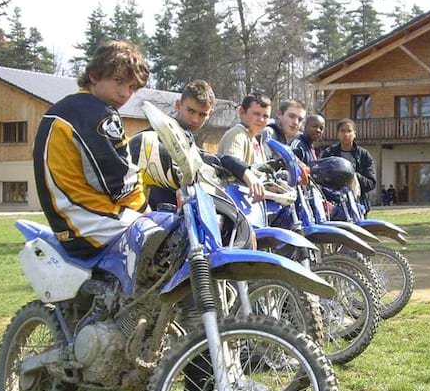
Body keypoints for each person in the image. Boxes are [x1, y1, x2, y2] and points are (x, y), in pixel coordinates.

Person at [33, 40, 172, 267]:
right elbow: (119, 178)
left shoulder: (63, 110)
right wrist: (147, 212)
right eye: (118, 81)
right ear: (95, 76)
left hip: (67, 223)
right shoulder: (98, 114)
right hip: (88, 222)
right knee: (171, 235)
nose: (125, 93)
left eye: (132, 87)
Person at [132, 80, 264, 207]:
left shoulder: (184, 136)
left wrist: (245, 172)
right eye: (191, 111)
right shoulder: (162, 135)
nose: (195, 119)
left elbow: (209, 159)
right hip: (151, 216)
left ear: (210, 114)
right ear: (178, 105)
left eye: (202, 114)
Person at [321, 118, 377, 214]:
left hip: (359, 206)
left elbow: (371, 183)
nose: (346, 134)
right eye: (342, 131)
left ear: (354, 133)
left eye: (349, 131)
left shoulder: (364, 155)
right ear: (338, 134)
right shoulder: (329, 153)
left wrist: (352, 176)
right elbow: (322, 180)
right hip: (335, 207)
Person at [217, 92, 272, 166]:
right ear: (242, 112)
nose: (261, 120)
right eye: (256, 114)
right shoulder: (237, 135)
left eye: (265, 116)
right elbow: (233, 169)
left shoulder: (256, 139)